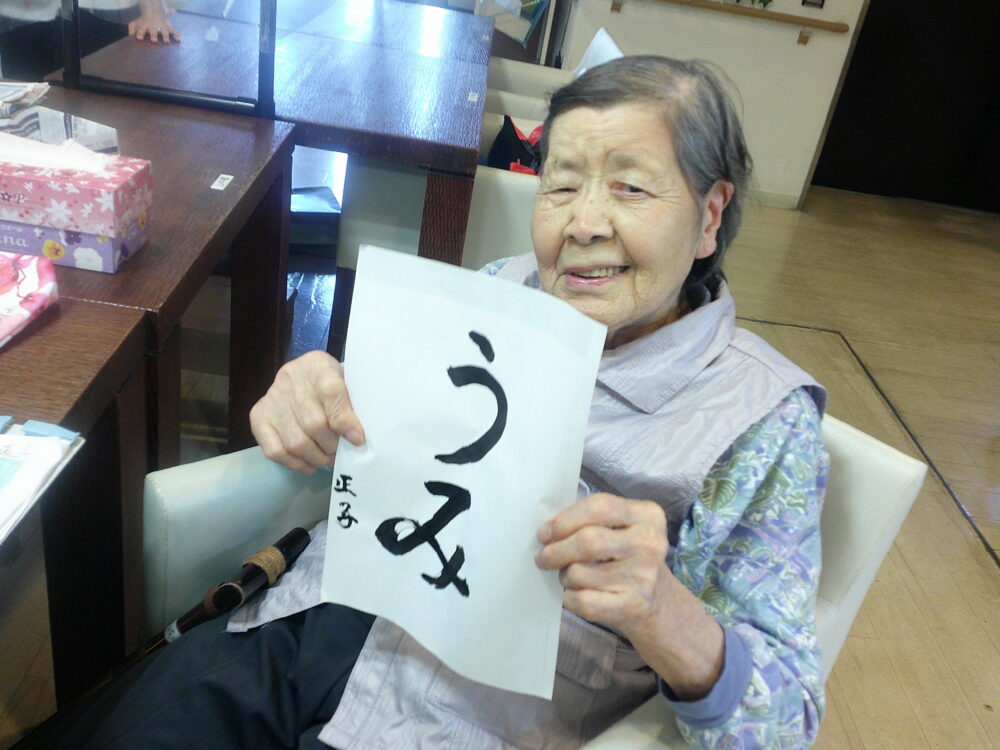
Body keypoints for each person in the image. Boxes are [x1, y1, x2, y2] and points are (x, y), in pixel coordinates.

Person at [35, 55, 828, 749]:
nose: (585, 223)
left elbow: (785, 719)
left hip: (483, 718)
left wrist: (662, 614)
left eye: (630, 187)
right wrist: (309, 390)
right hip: (307, 624)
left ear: (709, 215)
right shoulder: (497, 288)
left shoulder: (761, 420)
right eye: (560, 185)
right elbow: (365, 420)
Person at [0, 0, 178, 82]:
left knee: (101, 109)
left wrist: (153, 11)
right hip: (19, 13)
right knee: (26, 109)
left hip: (100, 11)